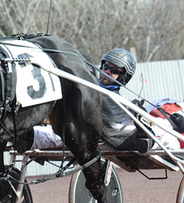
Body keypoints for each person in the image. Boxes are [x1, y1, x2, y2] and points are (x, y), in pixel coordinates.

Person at [31, 48, 182, 151]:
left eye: (114, 71)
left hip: (119, 133)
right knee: (58, 134)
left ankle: (147, 135)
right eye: (106, 67)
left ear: (123, 77)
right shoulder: (89, 87)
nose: (107, 72)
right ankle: (27, 136)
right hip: (88, 131)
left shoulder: (117, 99)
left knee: (163, 126)